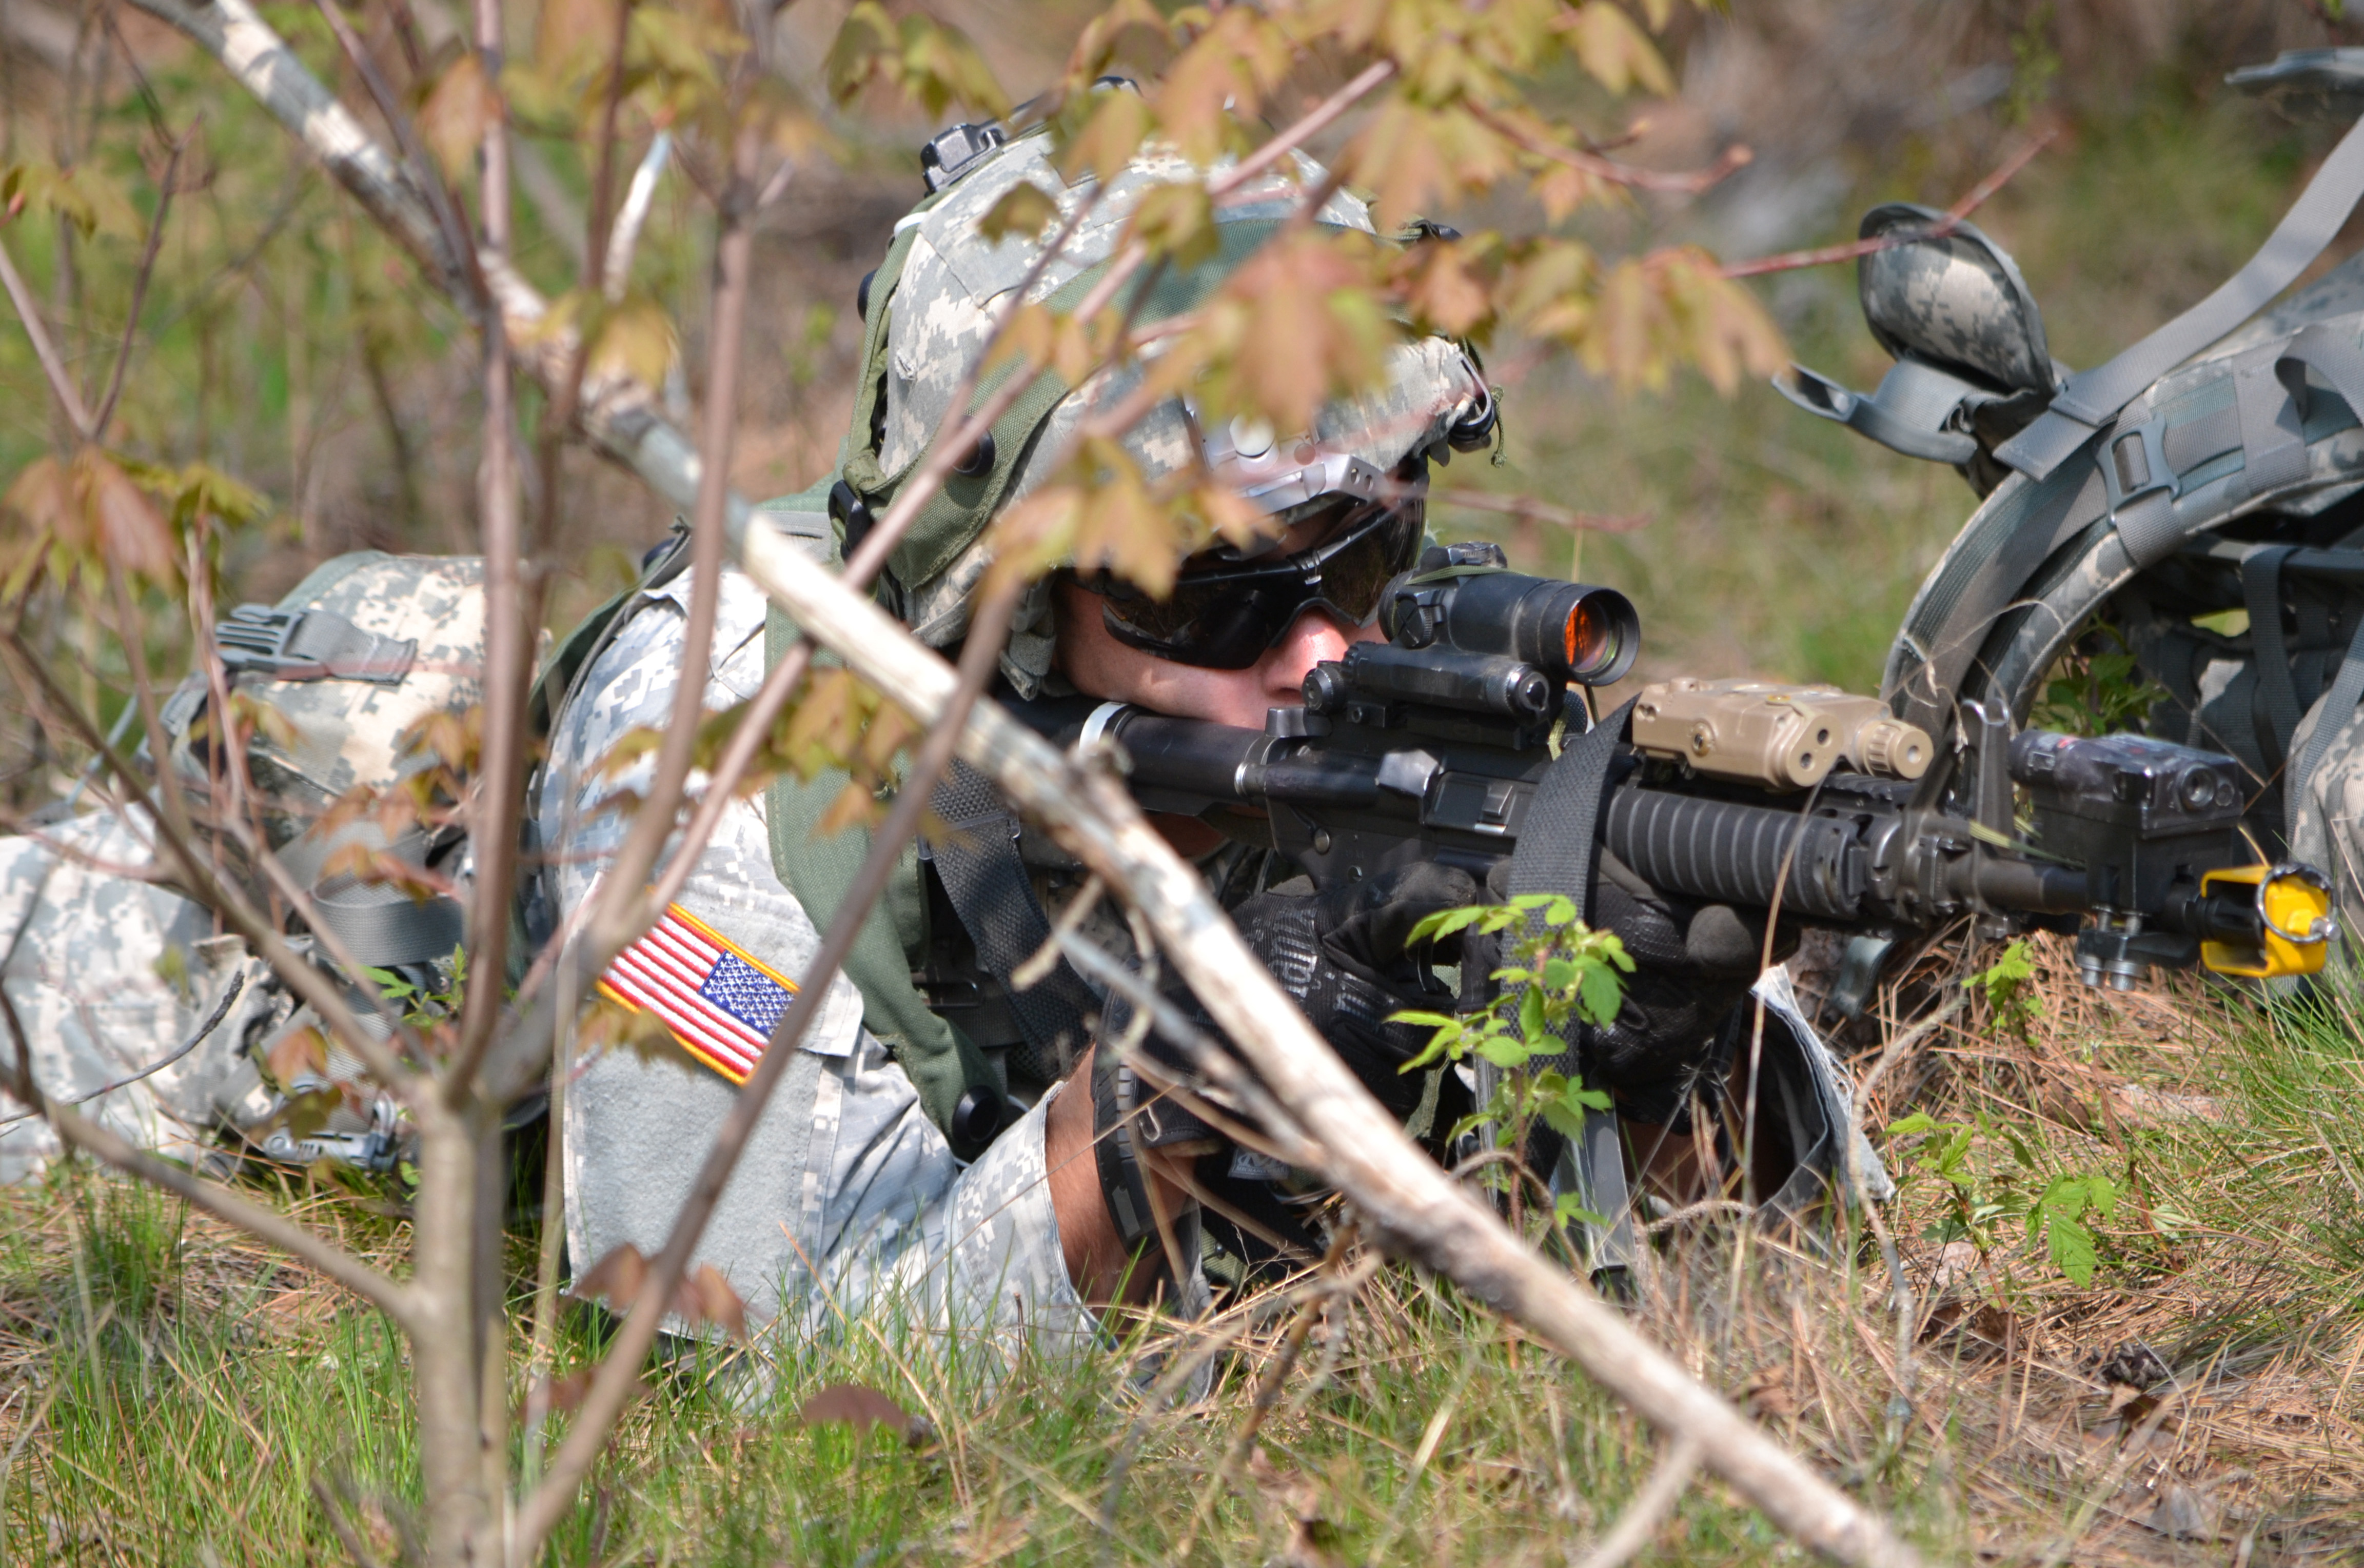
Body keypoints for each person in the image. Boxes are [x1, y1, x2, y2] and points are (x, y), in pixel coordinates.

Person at [531, 113, 1806, 1365]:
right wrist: (1187, 1076)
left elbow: (1798, 1247)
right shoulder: (713, 766)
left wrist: (1674, 1061)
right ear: (1016, 609)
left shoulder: (1388, 697)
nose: (1322, 659)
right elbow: (766, 1375)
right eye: (1213, 596)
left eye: (1361, 564)